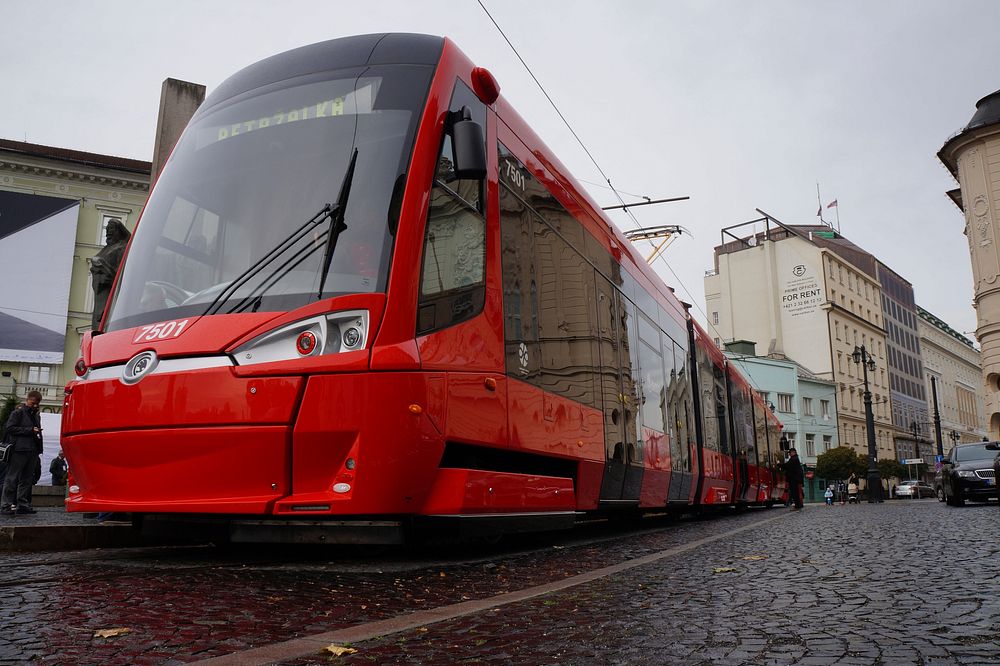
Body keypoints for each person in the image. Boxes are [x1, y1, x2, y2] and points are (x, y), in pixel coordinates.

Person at [1, 390, 43, 515]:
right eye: (33, 403)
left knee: (27, 479)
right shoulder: (18, 412)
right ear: (27, 400)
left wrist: (38, 447)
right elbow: (9, 428)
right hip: (19, 450)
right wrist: (30, 430)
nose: (35, 405)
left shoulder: (36, 415)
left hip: (32, 450)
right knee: (12, 478)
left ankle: (22, 504)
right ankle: (6, 505)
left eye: (37, 403)